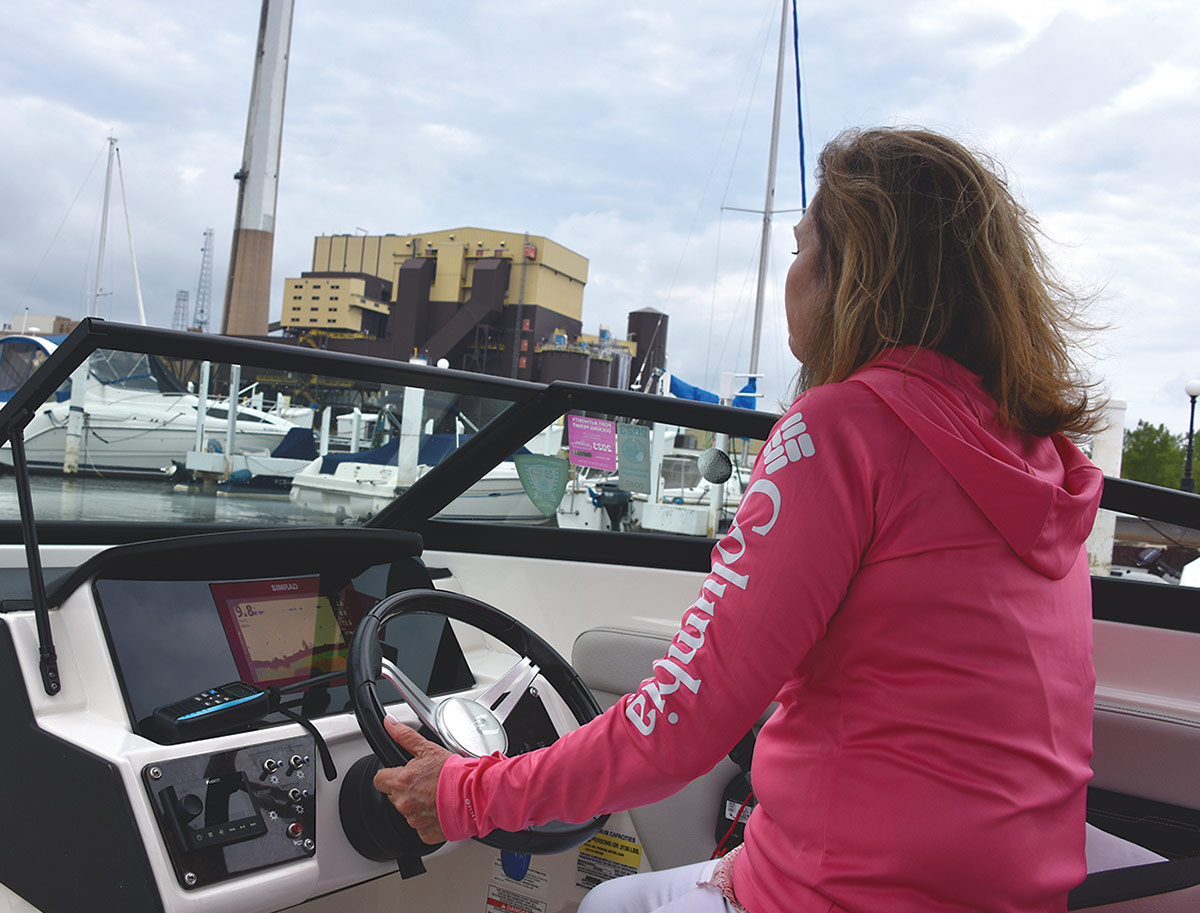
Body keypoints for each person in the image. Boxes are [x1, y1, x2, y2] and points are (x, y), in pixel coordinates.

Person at [374, 127, 1105, 912]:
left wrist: (469, 792)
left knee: (604, 905)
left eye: (800, 250)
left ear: (852, 272)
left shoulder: (843, 429)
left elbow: (684, 715)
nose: (789, 275)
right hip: (1011, 894)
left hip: (851, 893)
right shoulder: (1033, 455)